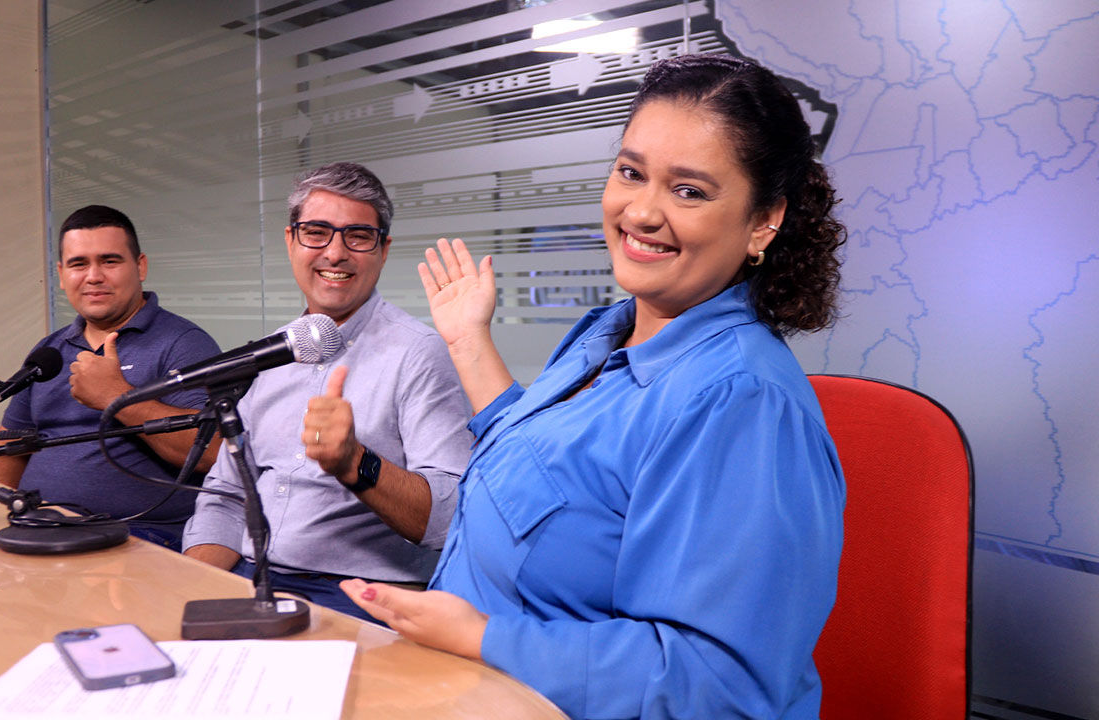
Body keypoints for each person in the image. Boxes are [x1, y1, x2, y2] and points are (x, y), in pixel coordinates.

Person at [340, 54, 848, 719]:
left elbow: (721, 688)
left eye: (689, 191)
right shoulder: (611, 332)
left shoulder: (740, 402)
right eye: (631, 172)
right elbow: (552, 472)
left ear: (763, 221)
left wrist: (482, 638)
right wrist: (469, 343)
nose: (641, 211)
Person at [182, 162, 472, 620]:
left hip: (359, 596)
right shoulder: (270, 355)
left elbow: (448, 518)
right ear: (290, 241)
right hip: (250, 576)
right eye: (316, 231)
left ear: (383, 249)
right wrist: (195, 589)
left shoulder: (419, 352)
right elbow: (225, 496)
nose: (335, 253)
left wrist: (356, 462)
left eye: (357, 235)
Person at [0, 205, 222, 550]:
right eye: (79, 264)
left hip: (141, 536)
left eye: (110, 261)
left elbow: (212, 451)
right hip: (44, 528)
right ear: (62, 275)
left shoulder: (182, 343)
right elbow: (9, 447)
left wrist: (116, 398)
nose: (94, 276)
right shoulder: (49, 350)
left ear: (140, 267)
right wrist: (2, 515)